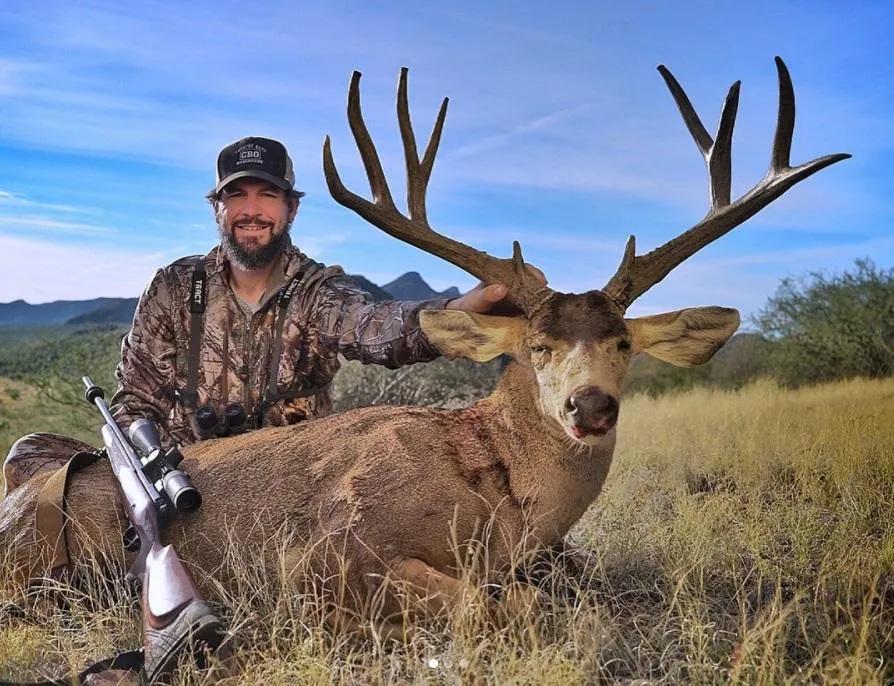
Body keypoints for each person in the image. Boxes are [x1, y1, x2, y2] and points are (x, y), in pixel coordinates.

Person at [2, 136, 515, 496]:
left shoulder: (317, 291)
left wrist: (456, 313)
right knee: (30, 457)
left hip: (291, 488)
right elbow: (136, 401)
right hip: (183, 481)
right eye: (237, 195)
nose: (252, 210)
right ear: (217, 207)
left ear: (291, 209)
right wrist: (146, 472)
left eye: (268, 195)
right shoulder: (173, 287)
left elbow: (376, 328)